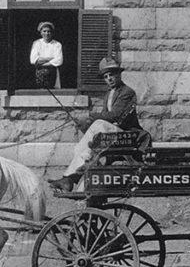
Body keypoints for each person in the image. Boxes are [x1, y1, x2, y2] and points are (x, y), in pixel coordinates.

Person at [49, 55, 143, 192]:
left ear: (119, 75)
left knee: (98, 124)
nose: (109, 78)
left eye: (112, 75)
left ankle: (70, 178)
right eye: (106, 76)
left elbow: (113, 116)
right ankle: (69, 179)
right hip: (111, 136)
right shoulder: (109, 94)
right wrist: (83, 125)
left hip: (127, 135)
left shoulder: (127, 92)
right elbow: (106, 118)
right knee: (83, 150)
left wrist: (89, 117)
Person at [30, 21, 63, 90]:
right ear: (41, 32)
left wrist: (41, 62)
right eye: (44, 31)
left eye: (49, 31)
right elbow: (33, 60)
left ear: (52, 33)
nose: (47, 33)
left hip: (52, 73)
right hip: (39, 73)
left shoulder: (57, 45)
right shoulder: (36, 43)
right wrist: (51, 58)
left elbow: (59, 60)